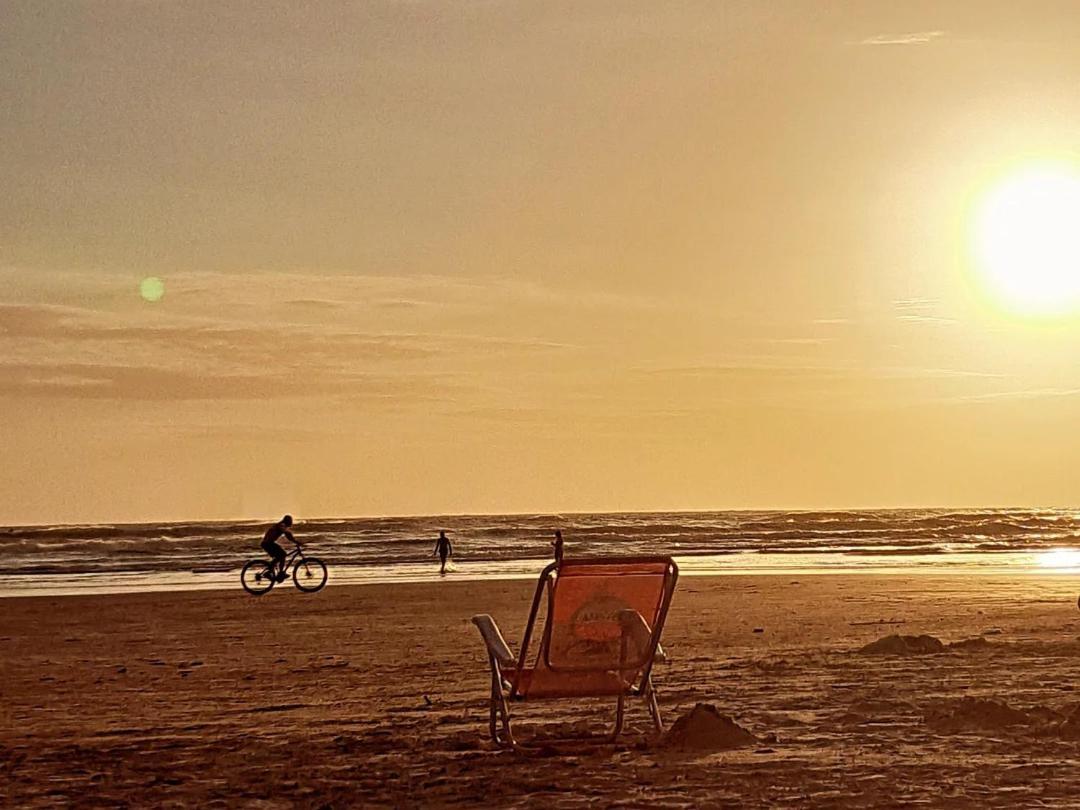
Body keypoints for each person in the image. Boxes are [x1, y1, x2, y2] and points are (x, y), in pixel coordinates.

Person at [262, 515, 295, 582]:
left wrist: (294, 540)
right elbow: (287, 534)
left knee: (280, 556)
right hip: (267, 544)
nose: (291, 523)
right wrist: (296, 541)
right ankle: (277, 573)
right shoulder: (281, 525)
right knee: (282, 555)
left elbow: (288, 533)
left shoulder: (282, 525)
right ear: (287, 521)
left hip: (269, 543)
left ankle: (274, 571)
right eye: (290, 521)